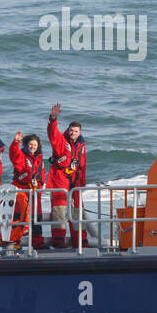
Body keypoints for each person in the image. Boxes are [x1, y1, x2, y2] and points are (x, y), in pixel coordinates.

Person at [47, 103, 88, 248]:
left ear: (80, 132)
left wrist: (81, 184)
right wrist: (53, 118)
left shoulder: (81, 146)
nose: (73, 133)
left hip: (76, 183)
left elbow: (82, 166)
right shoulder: (61, 141)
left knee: (78, 212)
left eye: (76, 131)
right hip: (60, 181)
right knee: (59, 211)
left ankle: (81, 242)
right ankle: (59, 243)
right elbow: (52, 134)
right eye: (71, 130)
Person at [8, 131, 47, 249]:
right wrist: (15, 142)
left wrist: (39, 185)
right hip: (21, 192)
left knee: (36, 219)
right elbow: (13, 154)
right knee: (19, 217)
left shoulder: (40, 158)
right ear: (26, 144)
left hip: (36, 193)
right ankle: (15, 244)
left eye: (35, 145)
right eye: (31, 144)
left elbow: (43, 175)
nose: (33, 147)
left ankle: (38, 244)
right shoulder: (21, 156)